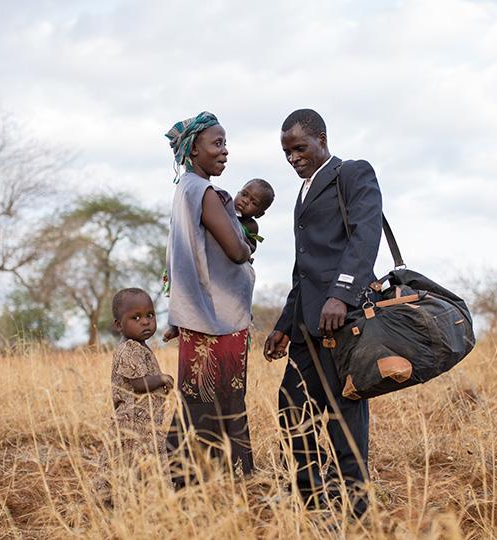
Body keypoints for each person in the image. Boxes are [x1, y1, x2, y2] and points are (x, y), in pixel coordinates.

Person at [263, 109, 383, 516]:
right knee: (291, 408)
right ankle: (313, 499)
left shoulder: (353, 174)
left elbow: (366, 236)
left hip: (341, 320)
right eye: (286, 152)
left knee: (344, 413)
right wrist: (283, 324)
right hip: (305, 326)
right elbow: (304, 267)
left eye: (299, 147)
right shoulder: (302, 192)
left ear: (321, 138)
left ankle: (357, 507)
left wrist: (343, 294)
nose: (293, 157)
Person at [163, 111, 256, 482]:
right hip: (218, 319)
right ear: (193, 149)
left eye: (225, 144)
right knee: (223, 401)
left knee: (198, 399)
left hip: (199, 316)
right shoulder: (204, 192)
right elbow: (236, 251)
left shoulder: (184, 189)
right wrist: (247, 244)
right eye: (216, 144)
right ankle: (229, 479)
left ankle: (187, 479)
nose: (225, 151)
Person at [95, 288, 174, 502]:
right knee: (130, 461)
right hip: (133, 424)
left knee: (134, 463)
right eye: (136, 318)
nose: (145, 322)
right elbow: (139, 383)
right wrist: (162, 379)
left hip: (146, 423)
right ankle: (121, 501)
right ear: (119, 325)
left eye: (150, 315)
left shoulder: (140, 347)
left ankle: (138, 500)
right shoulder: (129, 349)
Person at [233, 178, 275, 255]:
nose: (245, 201)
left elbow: (253, 247)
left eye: (254, 203)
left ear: (259, 214)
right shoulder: (223, 206)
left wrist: (246, 245)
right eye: (244, 194)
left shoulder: (251, 226)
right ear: (238, 193)